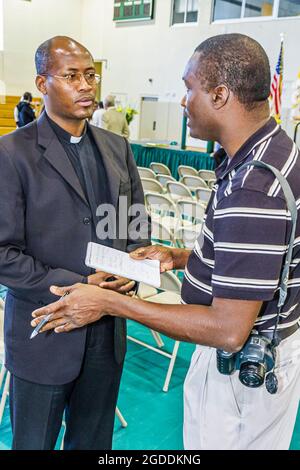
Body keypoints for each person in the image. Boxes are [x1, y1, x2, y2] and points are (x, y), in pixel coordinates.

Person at [34, 34, 300, 451]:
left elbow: (229, 331)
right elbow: (249, 262)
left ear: (219, 94)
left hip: (240, 372)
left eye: (188, 88)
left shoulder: (254, 187)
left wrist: (110, 302)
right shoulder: (265, 154)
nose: (182, 101)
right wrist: (179, 257)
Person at [0, 36, 150, 450]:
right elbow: (3, 253)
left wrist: (131, 273)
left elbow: (135, 225)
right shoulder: (12, 153)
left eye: (90, 75)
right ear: (43, 83)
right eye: (71, 76)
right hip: (46, 327)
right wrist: (77, 284)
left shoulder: (118, 148)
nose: (86, 85)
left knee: (94, 442)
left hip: (107, 332)